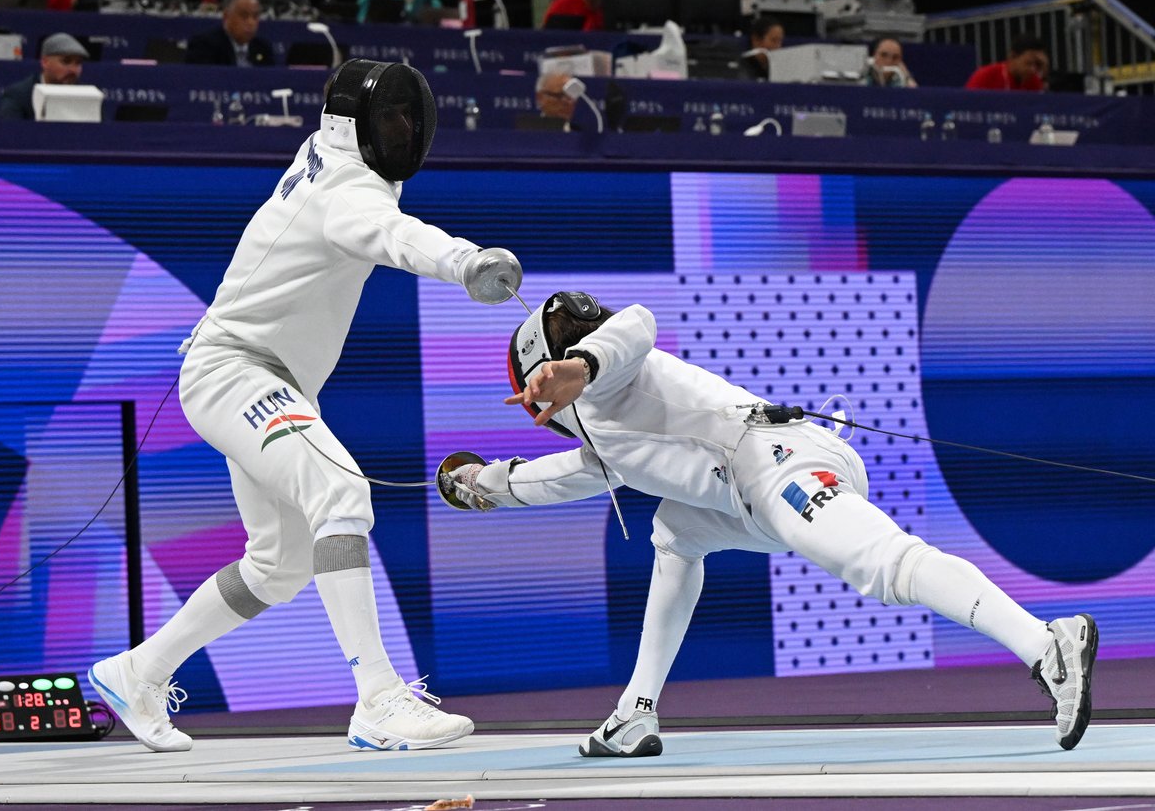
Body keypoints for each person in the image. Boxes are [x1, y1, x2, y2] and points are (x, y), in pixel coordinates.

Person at [444, 291, 1100, 757]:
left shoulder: (611, 375)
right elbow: (558, 476)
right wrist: (479, 484)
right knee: (674, 535)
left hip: (778, 463)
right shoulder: (607, 437)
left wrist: (579, 367)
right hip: (748, 494)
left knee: (886, 565)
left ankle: (1047, 644)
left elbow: (636, 325)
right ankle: (635, 714)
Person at [86, 59, 524, 754]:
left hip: (265, 378)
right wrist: (467, 261)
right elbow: (394, 234)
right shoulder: (348, 191)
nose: (404, 130)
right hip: (236, 372)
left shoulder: (325, 153)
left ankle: (139, 672)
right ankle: (378, 699)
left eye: (408, 117)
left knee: (279, 565)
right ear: (355, 127)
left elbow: (378, 211)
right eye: (390, 118)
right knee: (341, 492)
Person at [0, 32, 89, 120]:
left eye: (78, 63)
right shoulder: (19, 96)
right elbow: (8, 130)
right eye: (66, 61)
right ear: (45, 62)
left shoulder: (87, 97)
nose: (73, 69)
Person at [185, 0, 274, 66]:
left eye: (255, 16)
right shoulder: (204, 46)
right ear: (226, 16)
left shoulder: (264, 48)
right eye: (244, 16)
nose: (251, 22)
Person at [965, 34, 1048, 91]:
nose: (1033, 69)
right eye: (1028, 63)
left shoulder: (1034, 81)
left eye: (1037, 64)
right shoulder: (985, 76)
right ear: (1012, 56)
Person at [740, 15, 785, 80]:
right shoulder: (742, 69)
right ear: (756, 40)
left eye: (780, 41)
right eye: (774, 40)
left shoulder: (781, 68)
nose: (778, 46)